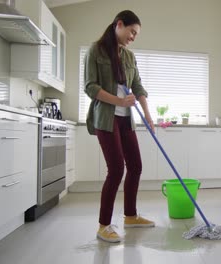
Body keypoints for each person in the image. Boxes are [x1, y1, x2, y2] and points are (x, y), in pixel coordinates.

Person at [84, 10, 156, 243]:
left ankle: (131, 216)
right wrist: (119, 101)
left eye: (136, 34)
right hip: (105, 118)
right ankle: (104, 225)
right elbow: (90, 87)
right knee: (116, 169)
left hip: (126, 119)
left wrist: (147, 114)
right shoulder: (96, 50)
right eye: (131, 32)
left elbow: (138, 87)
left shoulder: (129, 56)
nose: (133, 37)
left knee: (135, 166)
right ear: (119, 24)